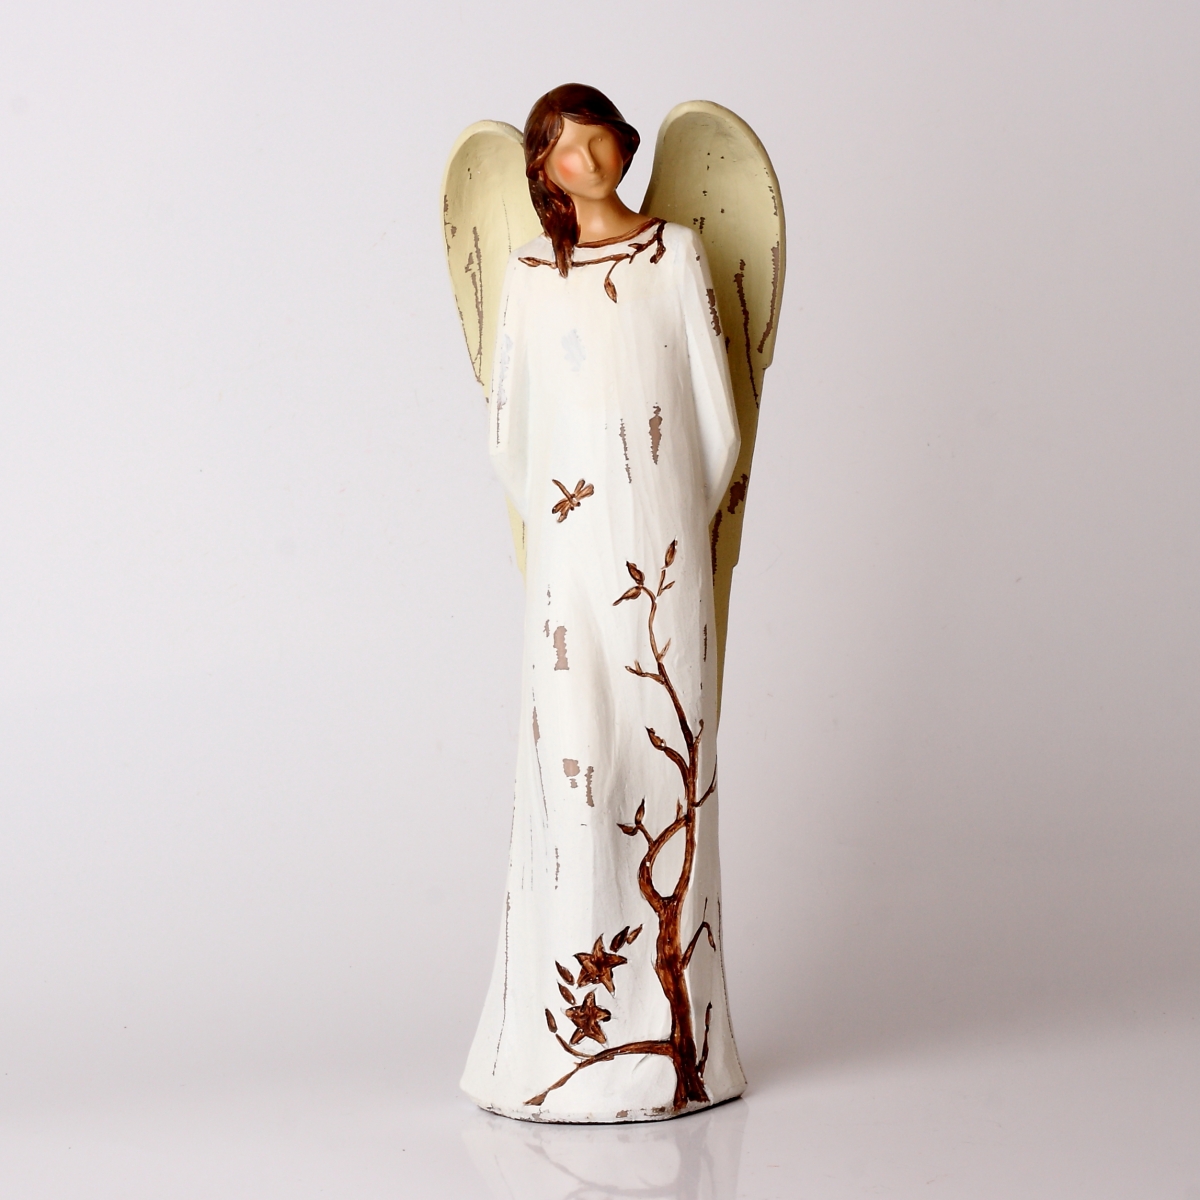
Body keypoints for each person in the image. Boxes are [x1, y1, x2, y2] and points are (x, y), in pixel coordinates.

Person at [461, 83, 745, 1122]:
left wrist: (664, 519)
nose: (584, 162)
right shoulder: (532, 276)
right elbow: (509, 430)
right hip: (570, 565)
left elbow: (716, 421)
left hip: (661, 555)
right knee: (573, 773)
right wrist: (566, 529)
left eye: (596, 141)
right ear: (541, 170)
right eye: (562, 150)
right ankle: (552, 1045)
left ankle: (681, 1048)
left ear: (624, 144)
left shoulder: (675, 256)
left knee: (667, 770)